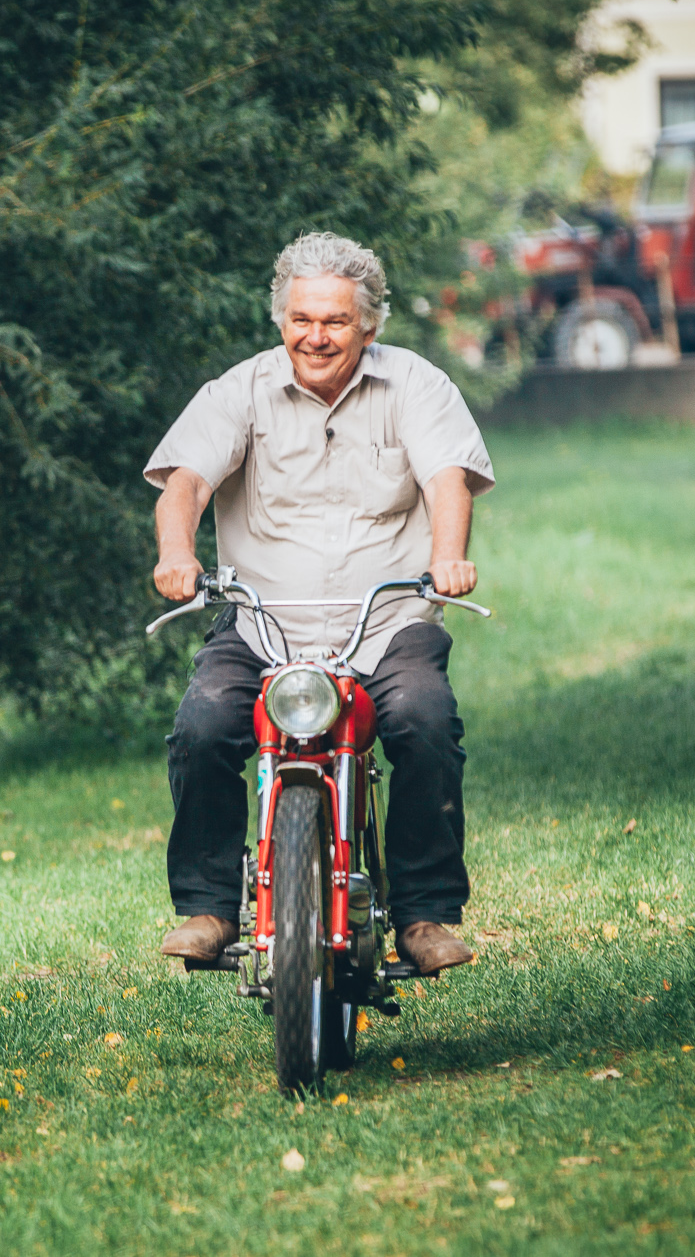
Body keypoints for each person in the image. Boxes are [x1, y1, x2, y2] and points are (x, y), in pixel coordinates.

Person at [143, 232, 494, 976]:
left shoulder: (418, 386)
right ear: (280, 319)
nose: (317, 335)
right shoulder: (240, 391)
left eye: (335, 320)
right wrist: (177, 554)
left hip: (387, 621)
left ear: (370, 324)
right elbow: (186, 484)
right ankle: (207, 908)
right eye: (302, 318)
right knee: (202, 724)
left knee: (427, 721)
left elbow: (446, 481)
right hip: (266, 624)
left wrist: (447, 557)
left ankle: (425, 914)